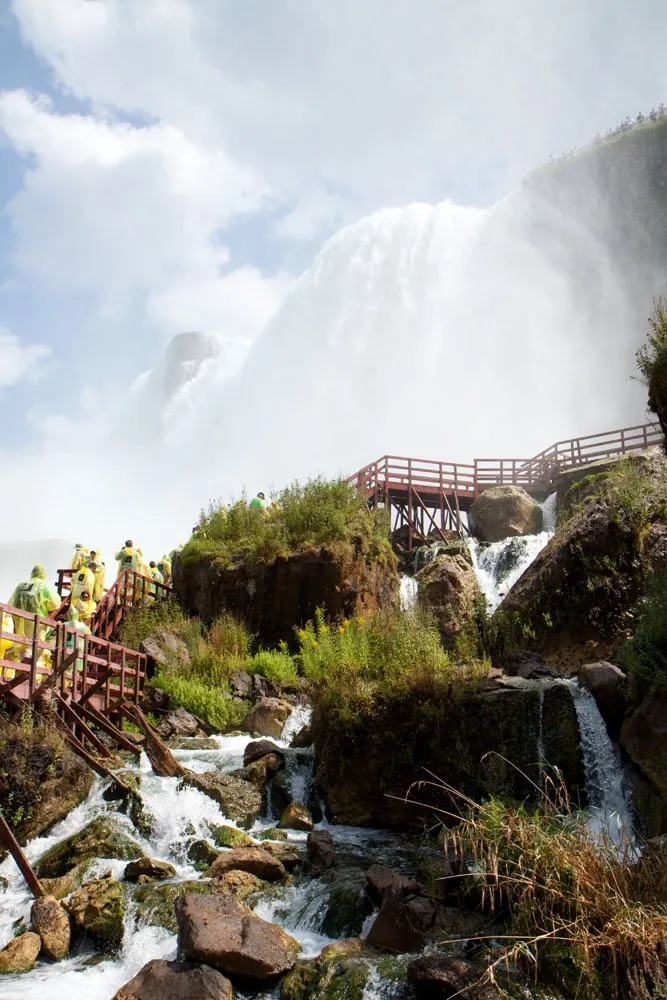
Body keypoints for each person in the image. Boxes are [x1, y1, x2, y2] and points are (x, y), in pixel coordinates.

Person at [6, 565, 60, 663]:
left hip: (19, 619)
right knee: (35, 644)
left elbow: (11, 602)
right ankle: (28, 665)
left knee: (21, 643)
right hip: (36, 621)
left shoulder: (20, 585)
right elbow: (54, 603)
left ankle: (22, 663)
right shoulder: (43, 586)